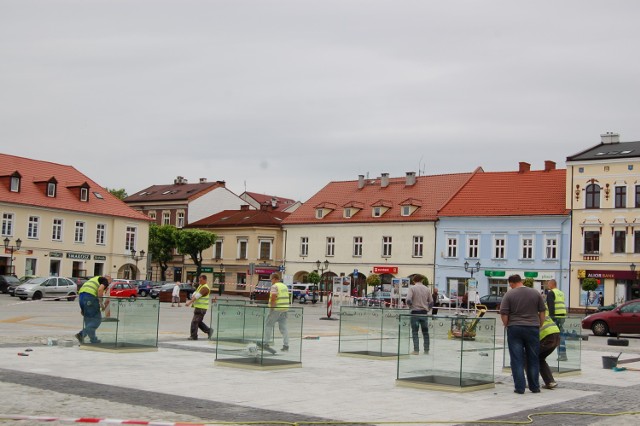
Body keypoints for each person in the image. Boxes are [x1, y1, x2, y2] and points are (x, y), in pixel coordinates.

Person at [500, 274, 546, 394]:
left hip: (515, 328)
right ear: (522, 281)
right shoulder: (535, 293)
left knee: (517, 359)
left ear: (511, 283)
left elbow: (504, 313)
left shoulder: (509, 294)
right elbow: (542, 310)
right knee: (533, 358)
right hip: (532, 328)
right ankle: (534, 387)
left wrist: (507, 324)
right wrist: (540, 323)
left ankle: (520, 388)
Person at [75, 275, 111, 344]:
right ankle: (81, 334)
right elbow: (100, 290)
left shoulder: (94, 279)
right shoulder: (104, 280)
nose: (108, 285)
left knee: (89, 321)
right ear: (108, 280)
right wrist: (101, 303)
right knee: (97, 320)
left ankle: (93, 339)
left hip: (81, 297)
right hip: (90, 297)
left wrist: (83, 308)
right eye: (109, 282)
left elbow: (85, 291)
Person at [259, 272, 290, 353]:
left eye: (271, 279)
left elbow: (273, 298)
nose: (271, 281)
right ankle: (286, 345)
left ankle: (265, 343)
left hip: (276, 309)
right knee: (284, 328)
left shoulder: (274, 286)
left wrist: (272, 308)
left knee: (268, 325)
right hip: (285, 309)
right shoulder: (284, 286)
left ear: (275, 279)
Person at [406, 275, 433, 355]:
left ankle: (416, 350)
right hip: (424, 313)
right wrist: (428, 309)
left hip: (415, 313)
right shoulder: (427, 289)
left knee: (415, 332)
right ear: (421, 280)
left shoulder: (412, 288)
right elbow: (431, 302)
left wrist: (411, 306)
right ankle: (426, 350)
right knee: (425, 332)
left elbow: (408, 300)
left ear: (414, 281)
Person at [539, 305, 561, 390]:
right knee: (540, 358)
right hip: (556, 333)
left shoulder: (531, 306)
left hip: (547, 336)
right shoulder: (542, 305)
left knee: (529, 357)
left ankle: (531, 382)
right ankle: (550, 382)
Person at [545, 279, 567, 361]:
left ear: (551, 284)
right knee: (561, 336)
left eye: (548, 284)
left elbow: (551, 306)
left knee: (552, 336)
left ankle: (545, 353)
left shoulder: (551, 293)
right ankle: (563, 354)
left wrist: (551, 318)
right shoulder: (561, 293)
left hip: (555, 316)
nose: (548, 286)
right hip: (562, 316)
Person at [185, 275, 213, 340]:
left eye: (201, 280)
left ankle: (193, 336)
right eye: (199, 280)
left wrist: (189, 302)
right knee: (198, 322)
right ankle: (209, 331)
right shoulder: (201, 286)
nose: (199, 281)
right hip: (199, 307)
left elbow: (197, 296)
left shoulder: (205, 288)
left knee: (194, 322)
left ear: (205, 280)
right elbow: (195, 293)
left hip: (201, 308)